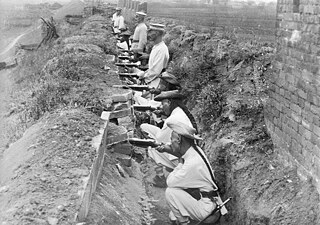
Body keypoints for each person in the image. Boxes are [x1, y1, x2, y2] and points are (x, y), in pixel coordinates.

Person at [158, 121, 219, 225]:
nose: (170, 142)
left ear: (178, 140)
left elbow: (170, 182)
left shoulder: (191, 163)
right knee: (174, 208)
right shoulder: (195, 151)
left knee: (170, 192)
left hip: (207, 210)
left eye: (171, 139)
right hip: (211, 202)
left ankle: (184, 223)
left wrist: (180, 164)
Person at [140, 90, 198, 187]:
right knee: (145, 128)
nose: (161, 107)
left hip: (182, 159)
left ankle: (160, 177)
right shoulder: (180, 112)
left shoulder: (173, 119)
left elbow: (159, 138)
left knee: (152, 147)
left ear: (169, 102)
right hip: (188, 152)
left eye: (163, 104)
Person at [136, 23, 169, 88]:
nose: (149, 34)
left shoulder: (161, 49)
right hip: (152, 80)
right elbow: (152, 68)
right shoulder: (156, 47)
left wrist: (144, 78)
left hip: (156, 83)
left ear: (157, 33)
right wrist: (144, 73)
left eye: (151, 32)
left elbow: (156, 71)